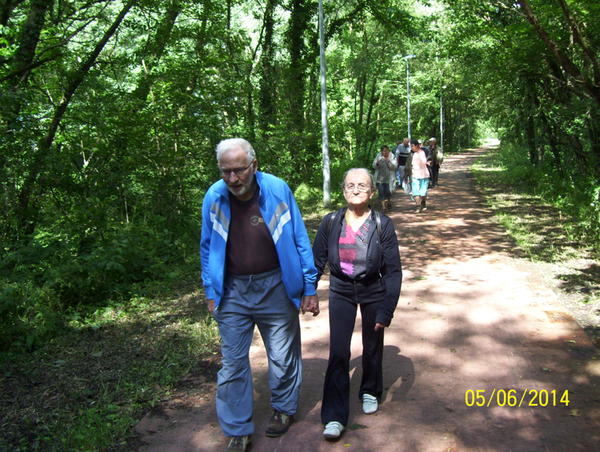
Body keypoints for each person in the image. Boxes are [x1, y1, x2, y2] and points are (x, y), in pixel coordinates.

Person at [200, 138, 320, 452]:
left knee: (282, 356)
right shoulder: (214, 197)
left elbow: (299, 238)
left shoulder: (277, 190)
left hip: (276, 286)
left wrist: (309, 287)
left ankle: (283, 408)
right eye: (226, 171)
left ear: (254, 166)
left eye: (239, 170)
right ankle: (237, 428)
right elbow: (206, 246)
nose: (232, 178)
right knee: (233, 362)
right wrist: (210, 290)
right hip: (232, 291)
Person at [312, 168, 402, 441]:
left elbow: (394, 271)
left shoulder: (382, 223)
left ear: (372, 192)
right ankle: (334, 416)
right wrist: (307, 291)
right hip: (340, 290)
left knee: (372, 344)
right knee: (339, 351)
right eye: (350, 185)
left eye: (362, 185)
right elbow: (316, 262)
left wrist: (387, 309)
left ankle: (370, 390)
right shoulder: (330, 222)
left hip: (373, 289)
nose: (356, 189)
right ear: (343, 191)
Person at [403, 139, 430, 213]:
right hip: (414, 175)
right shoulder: (410, 154)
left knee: (423, 192)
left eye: (412, 146)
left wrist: (429, 163)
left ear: (417, 145)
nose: (411, 148)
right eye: (411, 146)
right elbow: (407, 166)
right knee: (415, 192)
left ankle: (423, 202)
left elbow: (431, 159)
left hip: (424, 175)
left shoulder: (425, 152)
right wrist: (406, 177)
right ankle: (418, 206)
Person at [372, 145, 398, 212]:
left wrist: (389, 162)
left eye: (386, 151)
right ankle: (384, 207)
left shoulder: (392, 156)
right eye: (384, 151)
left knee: (388, 192)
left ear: (388, 150)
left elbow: (395, 166)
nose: (385, 152)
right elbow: (374, 166)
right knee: (381, 193)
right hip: (380, 179)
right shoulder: (379, 156)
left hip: (389, 179)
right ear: (382, 151)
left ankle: (389, 201)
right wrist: (377, 164)